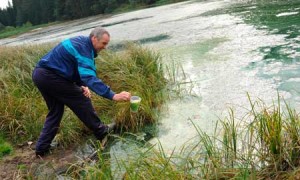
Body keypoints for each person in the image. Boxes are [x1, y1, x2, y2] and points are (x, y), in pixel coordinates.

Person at [32, 27, 131, 157]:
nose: (105, 47)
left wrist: (82, 85)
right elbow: (89, 77)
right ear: (94, 39)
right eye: (104, 43)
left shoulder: (81, 43)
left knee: (55, 111)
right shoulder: (85, 48)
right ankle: (101, 131)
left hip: (40, 75)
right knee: (81, 99)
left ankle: (41, 148)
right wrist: (113, 95)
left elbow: (71, 67)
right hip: (50, 76)